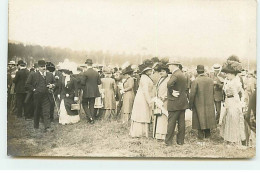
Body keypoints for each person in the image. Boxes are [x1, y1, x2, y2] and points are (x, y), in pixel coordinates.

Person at [220, 58, 246, 145]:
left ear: (232, 74)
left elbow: (237, 94)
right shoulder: (229, 81)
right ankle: (229, 138)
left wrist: (239, 104)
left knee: (233, 119)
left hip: (233, 102)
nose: (226, 75)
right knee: (228, 119)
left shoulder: (235, 82)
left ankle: (234, 140)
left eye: (227, 74)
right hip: (228, 101)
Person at [25, 60, 55, 132]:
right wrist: (34, 90)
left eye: (44, 66)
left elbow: (55, 83)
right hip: (37, 96)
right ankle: (36, 126)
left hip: (47, 95)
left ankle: (47, 127)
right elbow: (27, 84)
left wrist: (52, 85)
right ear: (38, 67)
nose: (43, 68)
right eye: (41, 67)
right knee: (37, 110)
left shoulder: (50, 74)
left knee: (46, 111)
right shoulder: (33, 74)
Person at [189, 65, 217, 140]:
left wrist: (190, 104)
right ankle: (208, 135)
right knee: (208, 118)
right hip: (209, 102)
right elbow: (213, 92)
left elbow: (192, 94)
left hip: (199, 103)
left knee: (199, 118)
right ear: (204, 71)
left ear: (197, 71)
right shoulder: (210, 80)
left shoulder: (196, 81)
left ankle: (201, 136)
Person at [165, 61, 189, 146]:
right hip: (182, 102)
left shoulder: (175, 74)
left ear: (174, 65)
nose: (168, 67)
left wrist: (171, 92)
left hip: (174, 102)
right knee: (181, 123)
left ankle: (168, 141)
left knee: (171, 122)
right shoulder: (182, 74)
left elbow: (169, 84)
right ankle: (180, 141)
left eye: (169, 65)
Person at [130, 64, 154, 138]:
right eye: (148, 70)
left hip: (143, 97)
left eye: (150, 70)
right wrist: (149, 101)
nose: (151, 71)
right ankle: (139, 133)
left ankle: (143, 132)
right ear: (145, 71)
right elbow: (145, 91)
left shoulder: (146, 77)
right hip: (142, 98)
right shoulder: (144, 78)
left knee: (143, 113)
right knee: (142, 114)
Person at [80, 58, 101, 124]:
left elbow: (82, 83)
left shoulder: (85, 73)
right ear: (92, 64)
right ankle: (92, 118)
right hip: (94, 91)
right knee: (92, 105)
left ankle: (90, 117)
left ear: (86, 64)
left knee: (84, 103)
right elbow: (99, 82)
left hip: (86, 91)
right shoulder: (96, 72)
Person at [153, 63, 170, 140]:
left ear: (167, 72)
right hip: (158, 100)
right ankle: (158, 134)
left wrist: (163, 97)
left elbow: (169, 91)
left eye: (163, 71)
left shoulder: (168, 79)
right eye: (160, 71)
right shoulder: (160, 79)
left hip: (165, 101)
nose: (161, 72)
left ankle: (163, 134)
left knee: (163, 117)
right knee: (158, 115)